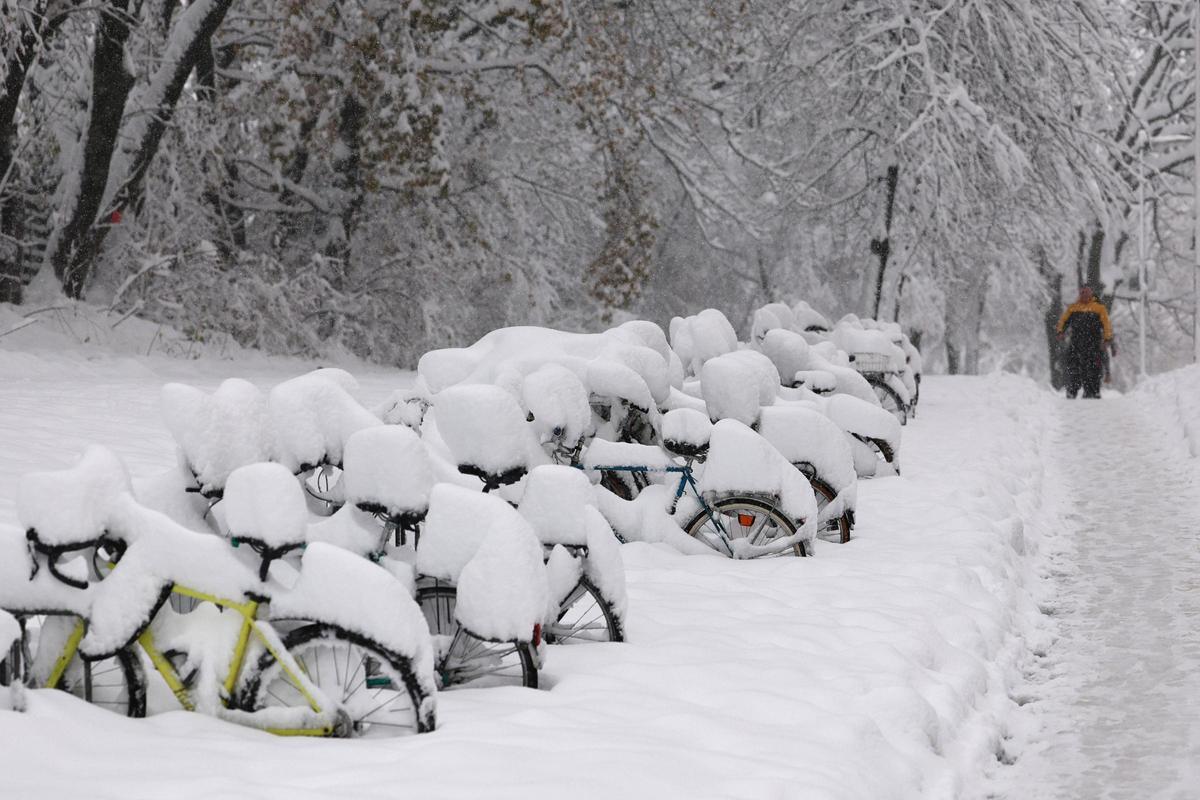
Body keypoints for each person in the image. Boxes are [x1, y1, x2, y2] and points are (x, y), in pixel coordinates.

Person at [1056, 286, 1114, 399]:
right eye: (1082, 292)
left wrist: (1107, 339)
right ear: (1079, 294)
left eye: (1087, 293)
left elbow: (1106, 325)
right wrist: (1060, 331)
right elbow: (1063, 321)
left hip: (1094, 343)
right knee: (1073, 367)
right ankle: (1072, 391)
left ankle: (1092, 391)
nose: (1084, 295)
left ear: (1091, 294)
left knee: (1093, 367)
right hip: (1076, 342)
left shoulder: (1099, 308)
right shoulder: (1073, 308)